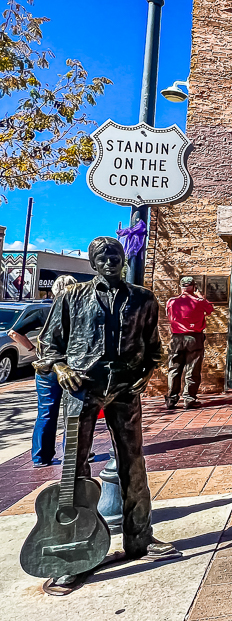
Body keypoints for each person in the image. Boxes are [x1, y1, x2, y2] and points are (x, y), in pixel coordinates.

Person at [34, 237, 178, 590]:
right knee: (75, 467)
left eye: (115, 254)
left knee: (133, 461)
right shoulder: (72, 296)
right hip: (82, 387)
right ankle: (76, 552)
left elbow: (154, 346)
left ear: (124, 260)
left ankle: (139, 537)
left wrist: (145, 374)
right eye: (102, 256)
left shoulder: (143, 298)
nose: (110, 260)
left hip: (125, 388)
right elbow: (48, 344)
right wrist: (61, 368)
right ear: (93, 263)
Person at [31, 275, 77, 467]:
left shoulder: (44, 310)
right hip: (66, 367)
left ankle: (41, 456)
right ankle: (71, 454)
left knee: (46, 412)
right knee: (72, 412)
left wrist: (33, 351)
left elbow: (14, 332)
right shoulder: (76, 311)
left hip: (46, 368)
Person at [164, 276, 214, 410]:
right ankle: (189, 399)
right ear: (193, 286)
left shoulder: (172, 301)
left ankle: (171, 399)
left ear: (181, 286)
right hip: (194, 337)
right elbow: (210, 310)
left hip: (176, 338)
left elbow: (168, 315)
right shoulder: (199, 301)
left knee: (174, 368)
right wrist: (200, 296)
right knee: (192, 369)